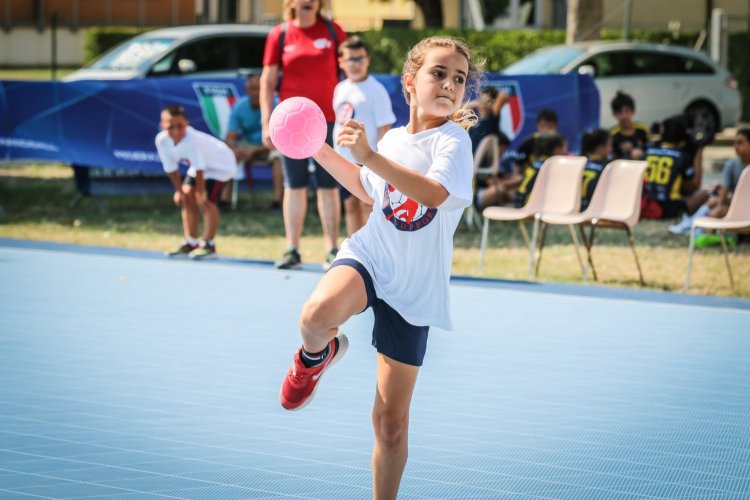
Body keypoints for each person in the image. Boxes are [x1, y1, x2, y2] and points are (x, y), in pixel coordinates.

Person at [278, 36, 478, 499]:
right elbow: (370, 191)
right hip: (372, 255)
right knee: (314, 317)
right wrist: (316, 147)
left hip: (415, 289)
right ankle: (315, 357)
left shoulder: (453, 141)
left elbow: (433, 195)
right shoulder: (391, 140)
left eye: (459, 78)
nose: (449, 84)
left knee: (390, 424)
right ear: (410, 83)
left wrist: (369, 156)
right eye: (438, 73)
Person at [260, 0, 348, 270]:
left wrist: (350, 113)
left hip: (328, 121)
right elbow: (268, 80)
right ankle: (292, 249)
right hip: (290, 126)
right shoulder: (280, 34)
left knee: (328, 185)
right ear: (291, 3)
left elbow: (350, 74)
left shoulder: (333, 31)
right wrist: (267, 122)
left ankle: (332, 249)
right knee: (294, 185)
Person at [333, 36, 396, 236]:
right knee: (349, 205)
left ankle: (371, 252)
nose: (356, 64)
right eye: (351, 59)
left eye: (360, 58)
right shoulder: (340, 88)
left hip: (367, 160)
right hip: (344, 159)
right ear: (341, 62)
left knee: (367, 206)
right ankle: (354, 249)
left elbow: (384, 127)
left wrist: (376, 160)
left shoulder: (376, 90)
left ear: (368, 60)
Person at [155, 105, 235, 260]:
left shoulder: (192, 140)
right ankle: (191, 242)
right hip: (201, 168)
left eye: (180, 126)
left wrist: (201, 192)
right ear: (162, 125)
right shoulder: (162, 141)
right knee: (186, 199)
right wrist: (179, 191)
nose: (176, 131)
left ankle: (208, 245)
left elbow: (200, 167)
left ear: (187, 124)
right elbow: (171, 168)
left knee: (206, 202)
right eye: (171, 126)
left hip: (221, 166)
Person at [668, 128, 750, 245]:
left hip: (744, 209)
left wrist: (722, 203)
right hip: (737, 205)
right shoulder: (731, 164)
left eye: (740, 142)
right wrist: (722, 198)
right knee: (714, 201)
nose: (735, 146)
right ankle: (694, 226)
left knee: (715, 209)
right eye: (734, 143)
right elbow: (724, 195)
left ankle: (696, 229)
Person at [476, 108, 558, 210]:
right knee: (502, 190)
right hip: (526, 183)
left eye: (550, 127)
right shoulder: (529, 143)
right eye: (543, 126)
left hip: (551, 183)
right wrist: (521, 180)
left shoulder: (559, 143)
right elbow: (516, 169)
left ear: (555, 126)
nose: (546, 130)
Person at [224, 73, 284, 211]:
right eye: (252, 88)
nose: (256, 92)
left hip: (271, 146)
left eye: (259, 88)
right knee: (228, 155)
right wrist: (234, 149)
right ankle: (224, 200)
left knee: (278, 158)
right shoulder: (239, 106)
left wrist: (255, 151)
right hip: (248, 144)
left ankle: (277, 201)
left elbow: (280, 140)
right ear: (246, 90)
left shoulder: (276, 105)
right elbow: (230, 136)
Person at [641, 115, 709, 220]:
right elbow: (694, 187)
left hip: (645, 203)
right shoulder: (680, 156)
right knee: (705, 193)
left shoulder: (647, 150)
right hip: (667, 207)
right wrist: (698, 153)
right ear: (682, 141)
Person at [514, 132, 568, 208]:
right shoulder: (553, 166)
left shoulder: (537, 163)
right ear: (557, 149)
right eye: (565, 147)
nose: (566, 151)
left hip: (519, 202)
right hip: (531, 206)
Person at [609, 91, 650, 160]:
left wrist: (641, 152)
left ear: (633, 111)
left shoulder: (643, 129)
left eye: (627, 111)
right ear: (614, 115)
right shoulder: (612, 134)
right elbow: (610, 157)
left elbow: (652, 150)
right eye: (619, 112)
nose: (624, 116)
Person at [580, 128, 612, 211]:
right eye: (609, 145)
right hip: (597, 210)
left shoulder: (578, 164)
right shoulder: (607, 168)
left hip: (575, 208)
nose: (611, 149)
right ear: (600, 148)